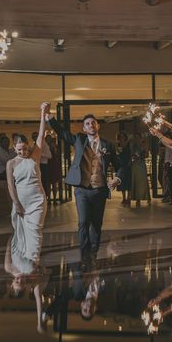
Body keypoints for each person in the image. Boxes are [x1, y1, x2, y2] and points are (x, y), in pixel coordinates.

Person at [45, 107, 122, 269]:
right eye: (87, 123)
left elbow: (120, 165)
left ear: (97, 126)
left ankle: (94, 251)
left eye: (93, 122)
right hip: (82, 189)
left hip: (100, 189)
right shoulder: (79, 140)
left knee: (96, 223)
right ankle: (84, 253)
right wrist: (49, 116)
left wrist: (117, 178)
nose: (91, 125)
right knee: (83, 222)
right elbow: (61, 132)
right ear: (84, 128)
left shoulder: (108, 145)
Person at [5, 104, 48, 275]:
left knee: (36, 231)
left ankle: (34, 261)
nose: (23, 151)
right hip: (21, 202)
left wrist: (43, 113)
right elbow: (10, 185)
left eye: (25, 148)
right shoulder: (11, 163)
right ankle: (27, 263)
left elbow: (41, 135)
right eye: (19, 149)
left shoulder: (34, 157)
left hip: (37, 200)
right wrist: (17, 204)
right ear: (14, 148)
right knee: (22, 235)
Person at [130, 132, 151, 207]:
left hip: (141, 164)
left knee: (143, 181)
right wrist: (133, 156)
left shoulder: (144, 145)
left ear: (140, 138)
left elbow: (147, 155)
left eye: (138, 137)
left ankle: (148, 198)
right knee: (135, 181)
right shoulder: (133, 146)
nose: (137, 139)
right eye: (135, 137)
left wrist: (140, 156)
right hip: (134, 165)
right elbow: (131, 154)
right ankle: (137, 199)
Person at [32, 130, 52, 200]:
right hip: (38, 165)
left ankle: (47, 198)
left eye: (35, 136)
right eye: (33, 137)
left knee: (45, 182)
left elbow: (50, 156)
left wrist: (40, 154)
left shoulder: (44, 144)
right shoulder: (36, 144)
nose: (34, 138)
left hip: (44, 165)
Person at [116, 132, 132, 205]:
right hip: (121, 164)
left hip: (128, 164)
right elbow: (117, 153)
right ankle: (123, 198)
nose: (122, 138)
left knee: (129, 181)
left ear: (125, 137)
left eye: (123, 136)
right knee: (121, 181)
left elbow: (131, 153)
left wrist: (130, 161)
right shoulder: (118, 144)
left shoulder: (128, 144)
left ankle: (128, 198)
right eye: (120, 136)